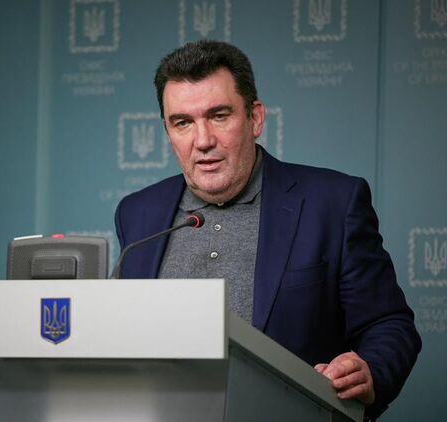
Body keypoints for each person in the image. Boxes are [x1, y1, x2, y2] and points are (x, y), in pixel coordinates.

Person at [113, 40, 421, 419]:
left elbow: (389, 324)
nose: (203, 140)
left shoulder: (333, 203)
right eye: (183, 123)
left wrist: (370, 370)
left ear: (255, 118)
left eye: (219, 116)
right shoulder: (138, 214)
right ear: (167, 130)